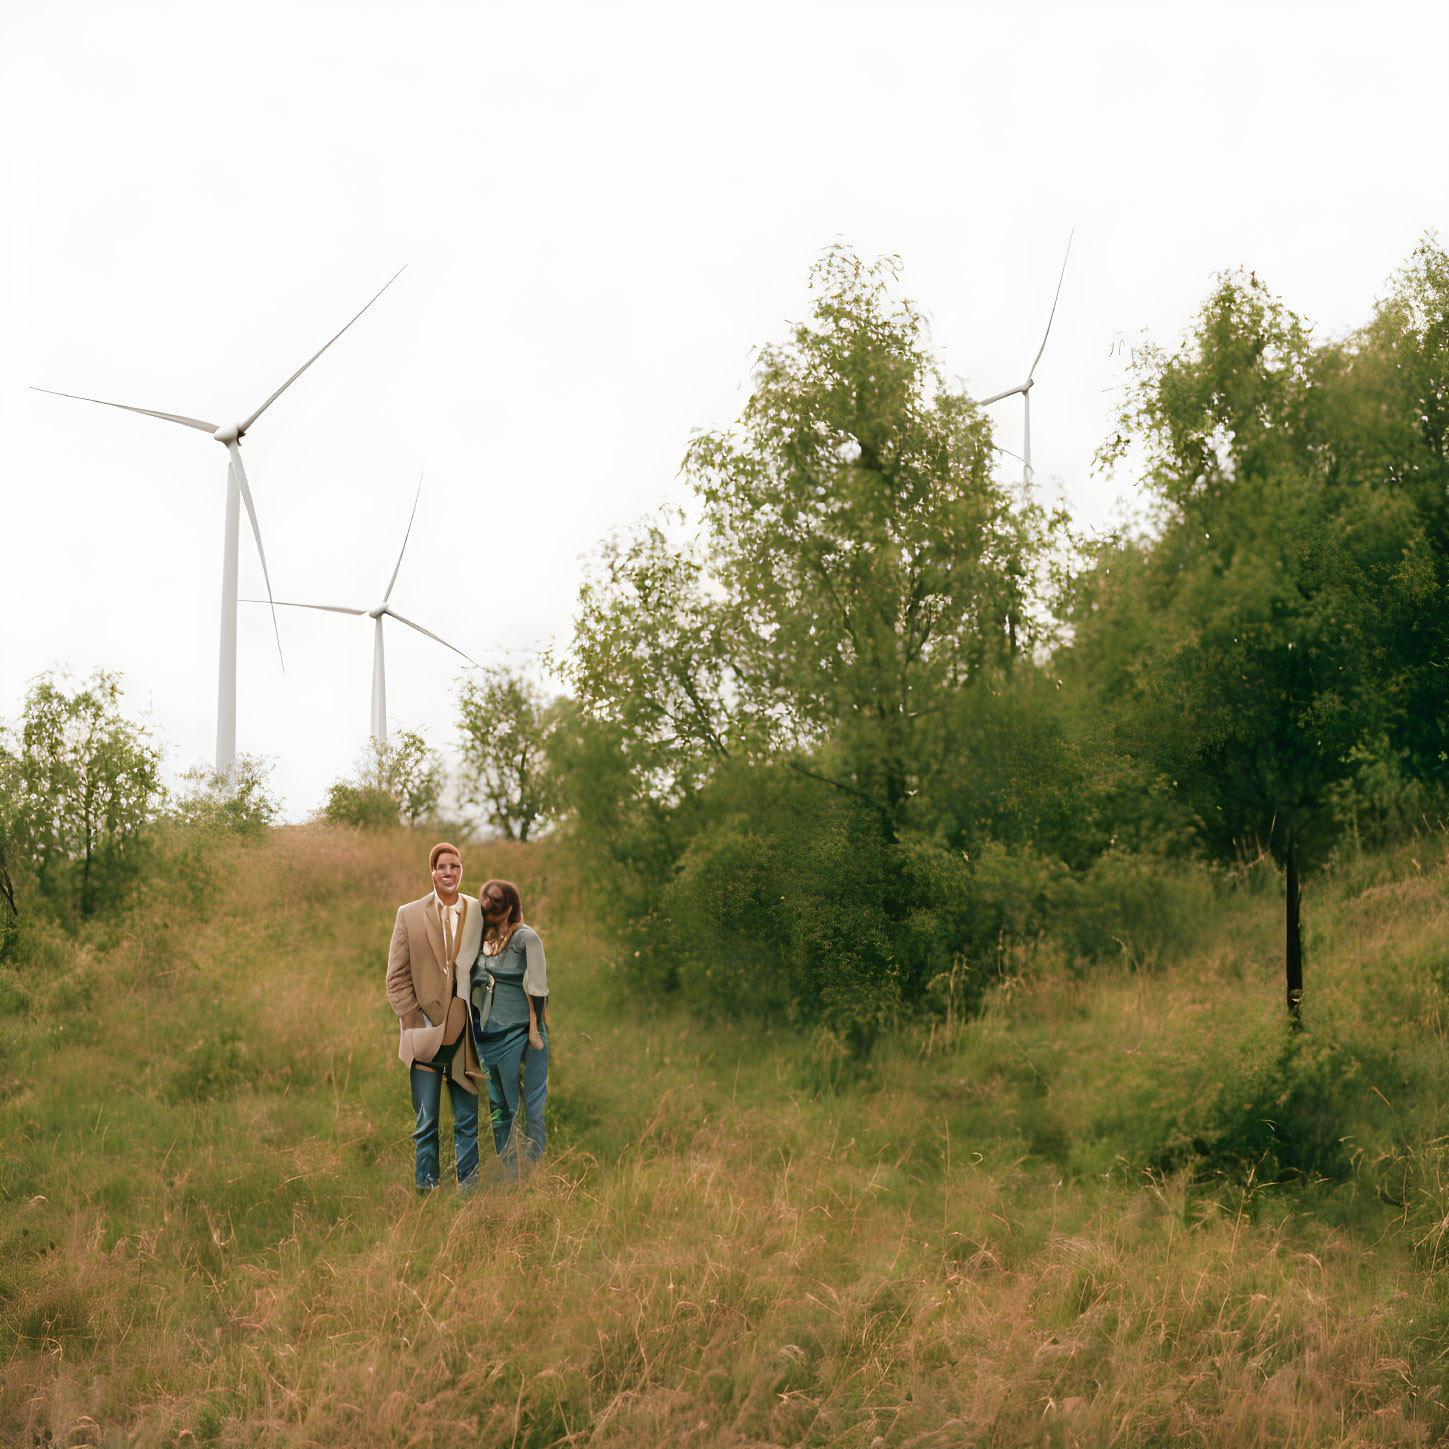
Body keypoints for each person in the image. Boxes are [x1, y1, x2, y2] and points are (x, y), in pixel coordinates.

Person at [385, 842, 484, 1193]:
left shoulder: (477, 911)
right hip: (424, 1037)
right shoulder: (408, 914)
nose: (449, 872)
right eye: (443, 866)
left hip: (465, 1038)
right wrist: (417, 1024)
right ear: (432, 871)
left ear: (461, 871)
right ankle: (426, 1193)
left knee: (467, 1121)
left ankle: (468, 1193)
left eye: (455, 866)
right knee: (426, 1123)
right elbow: (395, 979)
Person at [470, 879, 549, 1174]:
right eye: (484, 899)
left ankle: (534, 1166)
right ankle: (510, 1169)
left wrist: (535, 1030)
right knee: (499, 1105)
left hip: (524, 1031)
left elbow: (539, 988)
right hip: (491, 1032)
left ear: (511, 907)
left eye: (495, 900)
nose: (487, 904)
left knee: (529, 1104)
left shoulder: (526, 939)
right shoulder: (486, 938)